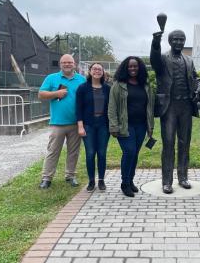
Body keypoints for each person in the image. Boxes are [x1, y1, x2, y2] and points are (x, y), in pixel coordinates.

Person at [151, 29, 200, 194]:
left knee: (184, 143)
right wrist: (155, 42)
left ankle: (183, 177)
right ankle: (167, 181)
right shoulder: (163, 58)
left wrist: (198, 89)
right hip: (169, 107)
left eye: (182, 39)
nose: (179, 42)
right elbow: (154, 61)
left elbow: (195, 78)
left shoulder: (188, 59)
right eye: (176, 39)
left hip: (186, 106)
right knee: (169, 144)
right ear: (170, 41)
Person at [38, 54, 86, 189]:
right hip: (57, 123)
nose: (67, 64)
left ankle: (70, 175)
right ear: (60, 64)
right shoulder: (52, 78)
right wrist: (55, 94)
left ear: (74, 64)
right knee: (53, 151)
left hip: (76, 123)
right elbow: (41, 94)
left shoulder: (81, 80)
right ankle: (46, 178)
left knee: (73, 151)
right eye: (64, 62)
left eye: (69, 62)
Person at [108, 56, 154, 197]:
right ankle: (124, 183)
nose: (133, 69)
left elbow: (150, 107)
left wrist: (150, 126)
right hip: (124, 126)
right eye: (130, 66)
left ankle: (131, 180)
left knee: (135, 154)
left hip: (140, 126)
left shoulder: (145, 85)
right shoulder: (118, 85)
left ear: (139, 68)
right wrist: (113, 126)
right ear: (125, 68)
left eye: (135, 66)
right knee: (129, 152)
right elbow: (112, 107)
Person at [76, 63, 111, 193]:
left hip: (103, 125)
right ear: (90, 71)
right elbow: (78, 108)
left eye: (99, 69)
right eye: (94, 69)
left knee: (102, 153)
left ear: (103, 72)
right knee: (90, 153)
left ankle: (101, 180)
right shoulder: (82, 88)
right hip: (88, 125)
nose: (97, 71)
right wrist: (80, 126)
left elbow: (111, 108)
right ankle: (91, 180)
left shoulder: (107, 88)